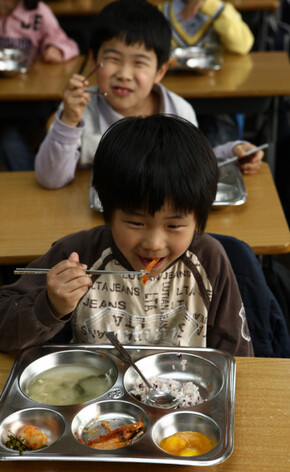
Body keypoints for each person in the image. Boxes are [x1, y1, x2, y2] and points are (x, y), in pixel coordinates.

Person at [0, 114, 254, 356]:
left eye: (174, 226)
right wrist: (50, 307)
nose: (154, 244)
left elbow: (237, 358)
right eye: (135, 223)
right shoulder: (78, 255)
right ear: (103, 201)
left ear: (199, 215)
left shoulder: (209, 260)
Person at [34, 0, 263, 191]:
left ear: (160, 71)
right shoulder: (78, 111)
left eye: (139, 63)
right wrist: (69, 122)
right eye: (113, 59)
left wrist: (233, 152)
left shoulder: (178, 112)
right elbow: (50, 179)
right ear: (93, 60)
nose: (124, 74)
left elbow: (195, 166)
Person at [159, 0, 255, 146]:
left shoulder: (220, 10)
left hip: (216, 99)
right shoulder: (163, 12)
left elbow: (242, 45)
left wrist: (210, 6)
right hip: (175, 97)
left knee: (218, 138)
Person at [0, 0, 79, 171]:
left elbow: (68, 44)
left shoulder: (38, 13)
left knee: (9, 142)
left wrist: (55, 49)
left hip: (28, 102)